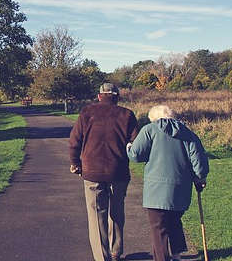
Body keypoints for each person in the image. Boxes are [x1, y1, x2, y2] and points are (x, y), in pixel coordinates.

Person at [127, 105, 209, 261]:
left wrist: (129, 146)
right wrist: (200, 178)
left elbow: (136, 155)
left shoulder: (149, 130)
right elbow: (198, 162)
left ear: (154, 118)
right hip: (181, 188)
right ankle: (176, 254)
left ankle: (162, 258)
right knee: (174, 220)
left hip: (156, 190)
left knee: (159, 228)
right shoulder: (188, 133)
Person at [69, 83, 139, 261]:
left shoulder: (86, 112)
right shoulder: (127, 114)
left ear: (100, 96)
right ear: (116, 97)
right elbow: (136, 144)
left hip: (92, 171)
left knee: (96, 215)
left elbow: (75, 140)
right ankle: (116, 252)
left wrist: (75, 163)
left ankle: (102, 257)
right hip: (119, 171)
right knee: (117, 212)